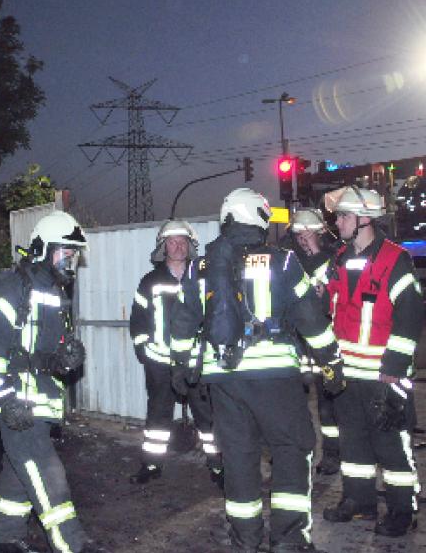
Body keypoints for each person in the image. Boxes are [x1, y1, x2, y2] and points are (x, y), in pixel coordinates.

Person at [170, 188, 344, 553]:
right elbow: (310, 318)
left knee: (238, 457)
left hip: (222, 379)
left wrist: (182, 366)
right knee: (292, 449)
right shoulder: (282, 261)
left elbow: (183, 322)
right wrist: (331, 361)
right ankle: (289, 538)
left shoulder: (200, 266)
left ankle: (245, 540)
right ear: (259, 219)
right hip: (274, 376)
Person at [0, 211, 98, 553]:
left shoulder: (56, 294)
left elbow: (42, 355)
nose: (70, 260)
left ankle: (5, 537)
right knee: (48, 476)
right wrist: (7, 399)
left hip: (40, 402)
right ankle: (71, 545)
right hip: (17, 401)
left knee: (19, 471)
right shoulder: (13, 286)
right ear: (44, 249)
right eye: (65, 252)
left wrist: (64, 361)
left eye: (74, 254)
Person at [321, 186, 423, 537]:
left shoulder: (396, 260)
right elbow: (331, 308)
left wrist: (394, 371)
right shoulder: (339, 258)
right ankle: (359, 501)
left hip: (383, 375)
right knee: (353, 442)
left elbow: (409, 318)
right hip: (347, 373)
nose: (338, 222)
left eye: (344, 216)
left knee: (391, 445)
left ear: (364, 219)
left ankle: (402, 510)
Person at [128, 220, 221, 486]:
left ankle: (218, 465)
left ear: (190, 246)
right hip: (160, 363)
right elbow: (138, 321)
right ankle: (151, 463)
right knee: (158, 415)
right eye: (172, 241)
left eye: (182, 241)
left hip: (197, 362)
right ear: (163, 246)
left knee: (207, 416)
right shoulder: (150, 281)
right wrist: (144, 351)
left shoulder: (204, 277)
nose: (177, 246)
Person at [287, 208, 341, 476]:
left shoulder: (334, 259)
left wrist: (317, 253)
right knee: (294, 406)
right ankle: (298, 453)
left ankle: (333, 454)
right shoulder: (289, 261)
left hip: (325, 344)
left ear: (320, 232)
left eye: (307, 234)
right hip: (297, 348)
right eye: (298, 234)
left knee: (328, 406)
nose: (302, 239)